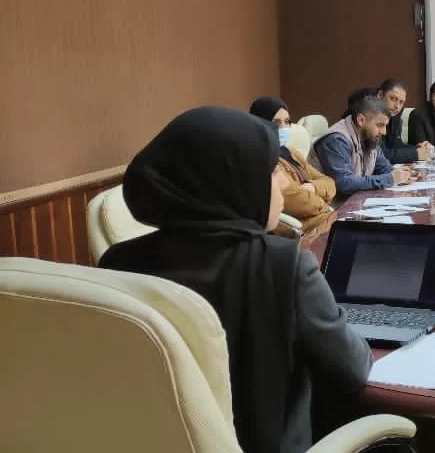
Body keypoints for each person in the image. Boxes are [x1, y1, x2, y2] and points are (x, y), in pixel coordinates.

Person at [98, 107, 373, 453]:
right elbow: (352, 370)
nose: (284, 182)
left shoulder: (116, 264)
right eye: (273, 171)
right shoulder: (285, 267)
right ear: (233, 182)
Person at [248, 96, 336, 234]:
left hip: (324, 221)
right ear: (260, 124)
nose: (284, 128)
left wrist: (313, 186)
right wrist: (324, 203)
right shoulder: (262, 159)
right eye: (276, 123)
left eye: (287, 122)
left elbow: (329, 182)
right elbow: (300, 202)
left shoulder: (290, 152)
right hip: (305, 232)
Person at [311, 94, 413, 196]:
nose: (384, 132)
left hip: (355, 200)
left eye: (385, 126)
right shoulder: (336, 140)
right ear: (361, 120)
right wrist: (390, 179)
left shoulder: (370, 137)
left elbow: (383, 167)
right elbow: (344, 184)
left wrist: (404, 175)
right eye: (380, 125)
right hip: (331, 204)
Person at [373, 79, 432, 164]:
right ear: (380, 95)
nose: (397, 106)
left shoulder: (394, 116)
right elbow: (381, 155)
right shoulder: (369, 114)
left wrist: (417, 148)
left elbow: (396, 145)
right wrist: (416, 154)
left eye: (401, 102)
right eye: (393, 99)